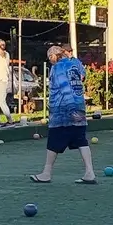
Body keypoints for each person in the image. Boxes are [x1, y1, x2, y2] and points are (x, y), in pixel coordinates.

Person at [30, 43, 96, 184]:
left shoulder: (57, 68)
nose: (50, 61)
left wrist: (71, 109)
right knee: (81, 140)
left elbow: (65, 88)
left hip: (63, 111)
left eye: (50, 58)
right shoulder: (74, 65)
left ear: (54, 56)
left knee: (54, 141)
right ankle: (90, 172)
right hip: (79, 105)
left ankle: (46, 173)